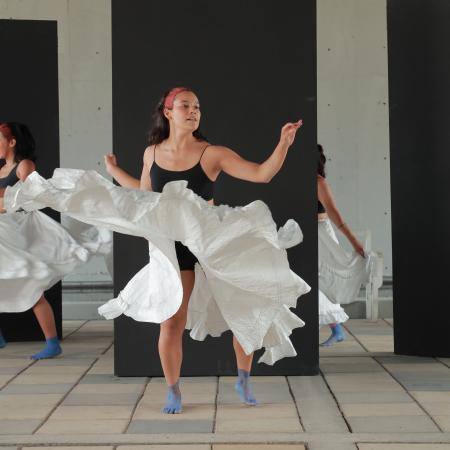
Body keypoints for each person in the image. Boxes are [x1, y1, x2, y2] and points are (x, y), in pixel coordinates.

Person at [5, 88, 310, 415]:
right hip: (171, 245)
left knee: (244, 311)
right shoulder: (152, 153)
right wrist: (114, 174)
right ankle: (173, 391)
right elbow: (145, 195)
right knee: (171, 321)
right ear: (168, 112)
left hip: (211, 242)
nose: (193, 111)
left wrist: (283, 144)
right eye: (185, 106)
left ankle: (244, 380)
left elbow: (261, 174)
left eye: (197, 107)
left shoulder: (212, 153)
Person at [0, 122, 110, 358]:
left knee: (32, 286)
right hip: (3, 232)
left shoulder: (24, 166)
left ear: (12, 142)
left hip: (15, 231)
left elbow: (33, 195)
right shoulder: (0, 169)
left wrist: (6, 197)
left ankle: (52, 342)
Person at [317, 144, 367, 347]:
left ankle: (336, 328)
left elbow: (334, 213)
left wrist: (353, 241)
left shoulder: (318, 182)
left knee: (323, 279)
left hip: (321, 233)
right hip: (306, 232)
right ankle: (336, 328)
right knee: (312, 280)